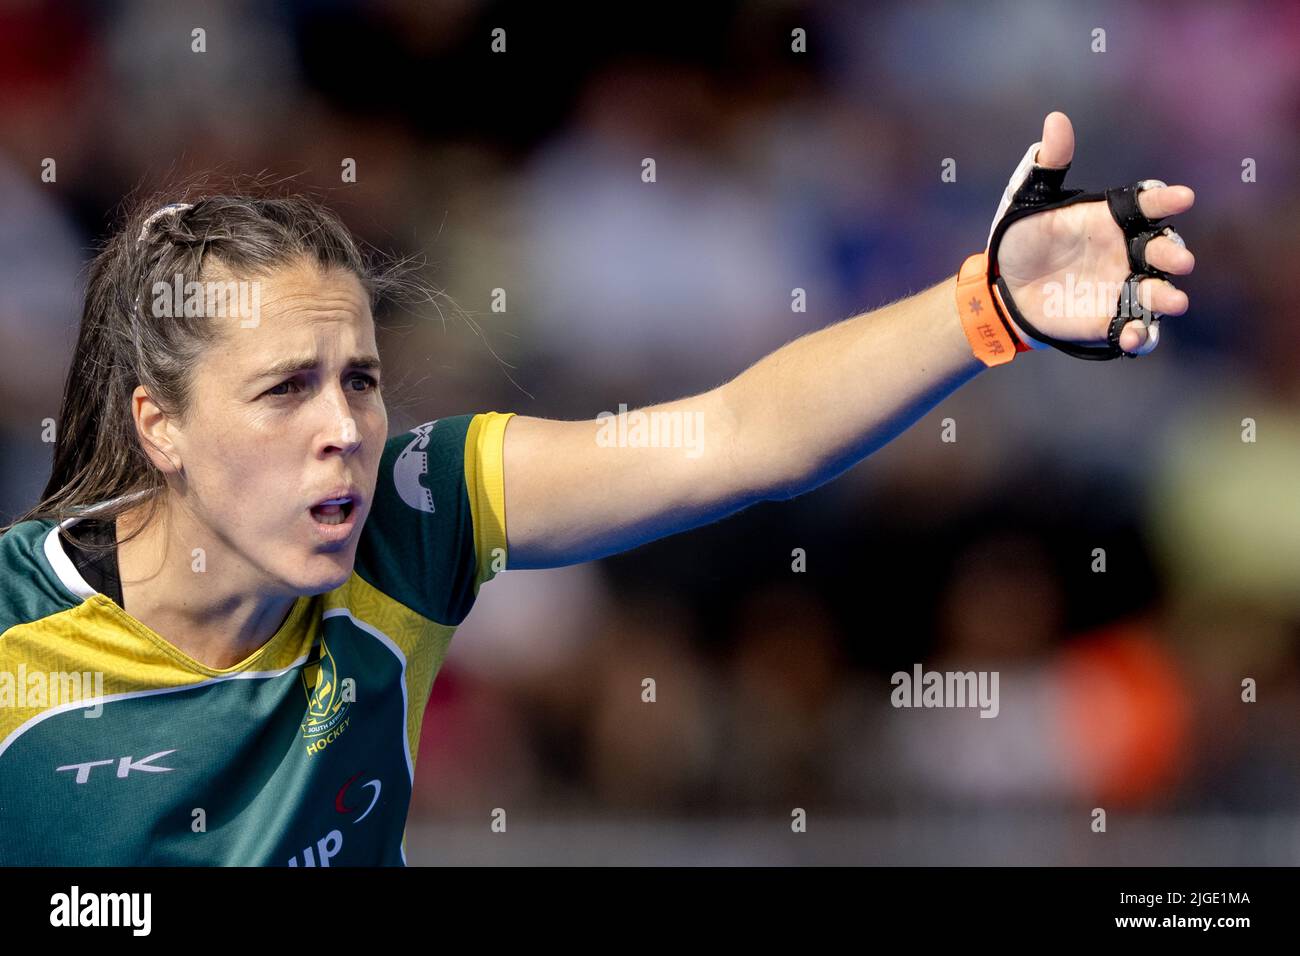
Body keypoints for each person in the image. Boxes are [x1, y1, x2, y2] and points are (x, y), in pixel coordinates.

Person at [0, 112, 1195, 865]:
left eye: (359, 379)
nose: (345, 432)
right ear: (158, 423)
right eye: (284, 390)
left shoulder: (418, 516)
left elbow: (741, 434)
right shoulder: (15, 632)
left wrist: (982, 305)